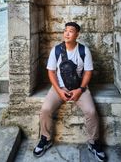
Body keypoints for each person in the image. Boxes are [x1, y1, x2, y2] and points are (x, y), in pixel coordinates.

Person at [33, 22, 106, 161]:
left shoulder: (84, 50)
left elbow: (88, 72)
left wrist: (80, 90)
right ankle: (45, 139)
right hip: (59, 87)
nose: (67, 33)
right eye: (65, 30)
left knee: (91, 111)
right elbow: (51, 72)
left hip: (79, 87)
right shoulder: (56, 50)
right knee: (45, 109)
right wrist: (59, 91)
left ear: (77, 35)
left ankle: (94, 142)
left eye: (71, 31)